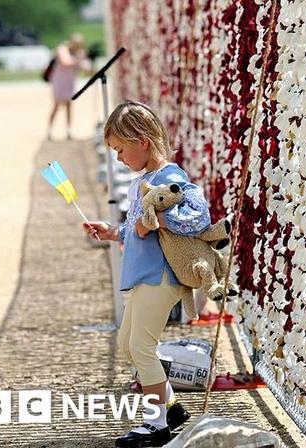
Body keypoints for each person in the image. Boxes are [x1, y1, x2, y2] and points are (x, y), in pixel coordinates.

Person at [82, 101, 212, 447]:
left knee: (141, 347)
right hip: (143, 274)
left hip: (160, 275)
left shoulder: (170, 178)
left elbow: (199, 218)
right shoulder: (145, 181)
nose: (119, 159)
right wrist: (112, 230)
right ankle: (169, 407)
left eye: (121, 150)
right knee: (128, 344)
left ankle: (156, 426)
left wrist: (155, 221)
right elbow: (135, 230)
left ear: (142, 141)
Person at [47, 33, 91, 141]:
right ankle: (49, 131)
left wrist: (87, 65)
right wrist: (79, 59)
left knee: (69, 106)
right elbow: (65, 62)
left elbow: (85, 68)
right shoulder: (63, 48)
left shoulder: (79, 53)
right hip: (59, 81)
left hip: (69, 82)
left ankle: (68, 131)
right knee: (56, 106)